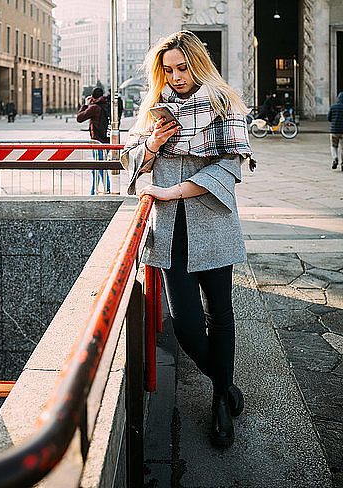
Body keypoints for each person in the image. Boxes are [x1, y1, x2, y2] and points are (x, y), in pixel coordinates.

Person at [121, 31, 255, 449]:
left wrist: (171, 191)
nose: (176, 77)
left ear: (197, 64)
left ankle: (219, 403)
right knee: (185, 326)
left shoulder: (223, 104)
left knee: (221, 314)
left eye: (183, 68)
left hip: (211, 219)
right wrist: (152, 145)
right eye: (169, 69)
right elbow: (128, 157)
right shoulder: (153, 108)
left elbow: (230, 166)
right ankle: (226, 383)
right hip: (168, 230)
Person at [77, 86, 111, 194]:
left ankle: (107, 188)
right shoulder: (107, 104)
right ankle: (93, 190)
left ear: (92, 96)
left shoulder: (94, 107)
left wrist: (85, 105)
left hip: (97, 141)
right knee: (97, 167)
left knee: (99, 167)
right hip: (107, 140)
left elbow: (80, 118)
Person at [327, 91, 343, 171]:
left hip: (334, 130)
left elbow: (328, 118)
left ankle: (335, 158)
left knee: (334, 146)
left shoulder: (333, 107)